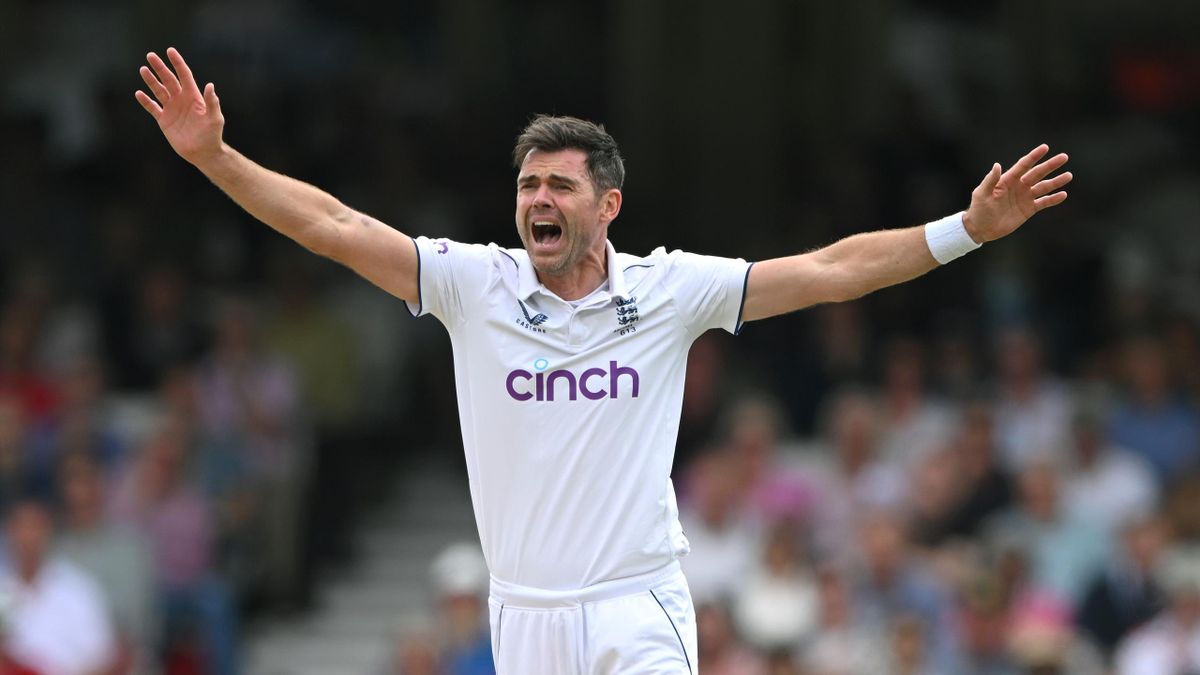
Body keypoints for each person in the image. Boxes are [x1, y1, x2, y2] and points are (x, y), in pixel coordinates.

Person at [134, 46, 1073, 674]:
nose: (537, 199)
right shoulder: (473, 283)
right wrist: (216, 158)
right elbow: (334, 226)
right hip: (525, 613)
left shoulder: (670, 290)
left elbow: (830, 271)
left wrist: (965, 230)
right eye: (526, 185)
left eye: (559, 184)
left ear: (608, 205)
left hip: (637, 601)